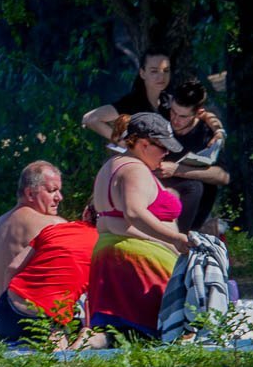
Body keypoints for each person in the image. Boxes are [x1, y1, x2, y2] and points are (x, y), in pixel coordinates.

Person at [88, 113, 190, 339]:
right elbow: (134, 212)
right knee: (160, 336)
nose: (166, 153)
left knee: (113, 335)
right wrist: (175, 239)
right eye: (163, 147)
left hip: (108, 258)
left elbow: (108, 218)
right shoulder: (135, 169)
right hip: (140, 263)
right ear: (144, 144)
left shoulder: (110, 166)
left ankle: (72, 351)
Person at [0, 204, 99, 342]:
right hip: (48, 320)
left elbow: (13, 267)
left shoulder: (54, 229)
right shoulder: (104, 245)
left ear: (85, 212)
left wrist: (7, 300)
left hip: (8, 313)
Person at [155, 79, 231, 232]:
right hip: (159, 193)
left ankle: (184, 233)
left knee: (196, 186)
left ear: (198, 113)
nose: (175, 120)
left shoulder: (206, 134)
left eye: (183, 116)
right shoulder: (162, 115)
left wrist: (177, 170)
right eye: (173, 112)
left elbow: (223, 177)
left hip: (193, 204)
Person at [0, 161, 66, 310]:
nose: (59, 197)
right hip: (31, 316)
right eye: (52, 191)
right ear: (30, 193)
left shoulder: (0, 222)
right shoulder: (53, 225)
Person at [81, 49, 173, 142]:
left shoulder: (171, 101)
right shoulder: (132, 103)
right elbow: (90, 119)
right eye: (154, 71)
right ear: (142, 73)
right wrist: (123, 143)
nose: (161, 76)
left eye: (166, 70)